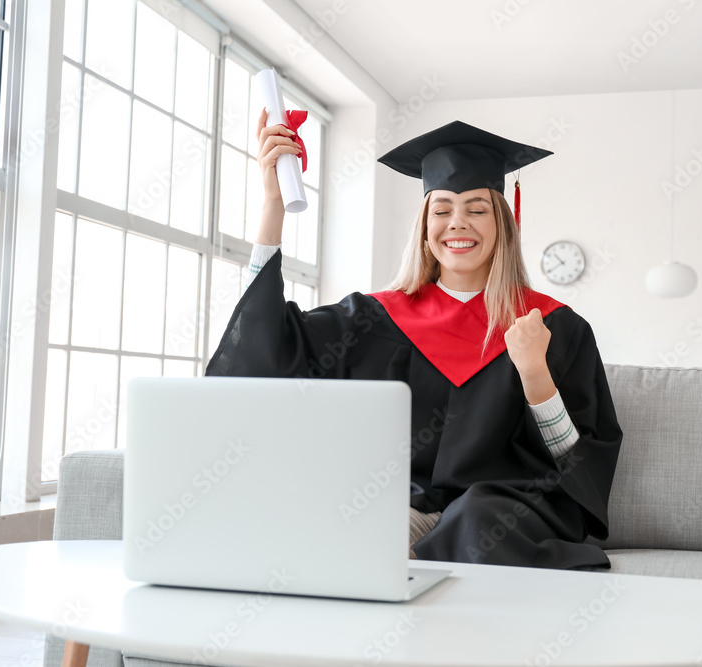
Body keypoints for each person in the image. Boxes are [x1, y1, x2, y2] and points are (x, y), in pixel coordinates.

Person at [205, 113, 623, 571]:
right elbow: (262, 354)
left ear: (503, 222)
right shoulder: (373, 319)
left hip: (506, 517)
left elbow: (580, 463)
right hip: (403, 509)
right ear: (424, 228)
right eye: (441, 210)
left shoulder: (554, 327)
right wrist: (273, 206)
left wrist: (535, 375)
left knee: (477, 519)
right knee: (354, 524)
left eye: (477, 209)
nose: (457, 224)